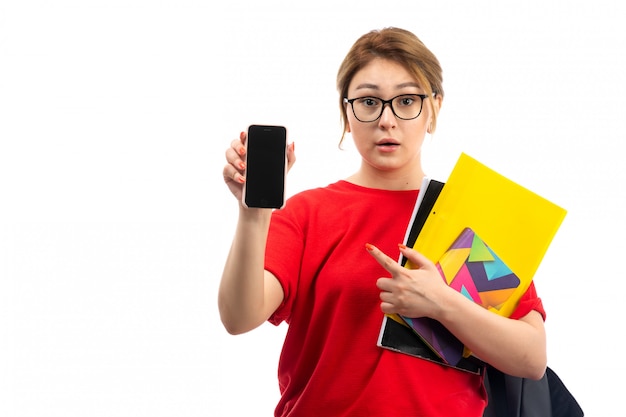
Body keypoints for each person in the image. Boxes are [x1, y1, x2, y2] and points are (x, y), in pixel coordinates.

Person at [219, 27, 547, 417]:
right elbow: (239, 317)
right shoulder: (309, 214)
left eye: (406, 100)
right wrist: (253, 216)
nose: (387, 120)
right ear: (347, 112)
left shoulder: (472, 216)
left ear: (434, 109)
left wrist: (442, 303)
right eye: (369, 102)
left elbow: (531, 358)